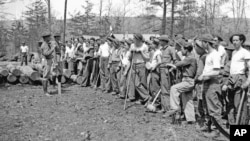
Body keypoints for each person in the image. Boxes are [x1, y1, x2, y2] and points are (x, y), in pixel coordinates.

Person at [197, 34, 224, 138]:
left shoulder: (215, 54)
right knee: (206, 107)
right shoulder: (209, 54)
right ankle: (208, 126)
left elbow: (217, 72)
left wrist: (204, 75)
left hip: (213, 83)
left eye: (202, 42)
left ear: (206, 43)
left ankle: (215, 130)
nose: (201, 44)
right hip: (206, 82)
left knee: (213, 108)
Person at [164, 42, 197, 124]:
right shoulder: (189, 58)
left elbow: (179, 64)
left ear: (187, 50)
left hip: (188, 81)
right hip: (187, 80)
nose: (181, 51)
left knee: (173, 88)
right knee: (187, 100)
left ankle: (174, 108)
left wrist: (170, 64)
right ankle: (191, 119)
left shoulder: (190, 58)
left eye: (182, 49)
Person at [222, 34, 250, 125]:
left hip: (240, 79)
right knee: (231, 104)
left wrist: (247, 82)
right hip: (232, 79)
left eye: (236, 40)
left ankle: (241, 127)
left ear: (241, 41)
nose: (234, 42)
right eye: (233, 40)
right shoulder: (234, 52)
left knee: (240, 105)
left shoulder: (245, 52)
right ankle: (232, 124)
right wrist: (227, 83)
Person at [126, 33, 151, 104]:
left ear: (138, 39)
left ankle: (143, 99)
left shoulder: (145, 46)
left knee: (143, 83)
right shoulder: (132, 45)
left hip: (141, 65)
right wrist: (131, 52)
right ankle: (146, 96)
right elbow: (130, 58)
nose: (133, 39)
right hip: (134, 65)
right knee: (136, 83)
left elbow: (147, 59)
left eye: (134, 38)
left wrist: (141, 52)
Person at [158, 35, 177, 113]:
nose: (159, 42)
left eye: (160, 41)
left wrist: (171, 69)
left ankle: (167, 108)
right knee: (162, 89)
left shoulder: (170, 49)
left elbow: (175, 61)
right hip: (160, 69)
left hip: (166, 70)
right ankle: (163, 107)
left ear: (164, 41)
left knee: (166, 89)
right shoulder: (161, 50)